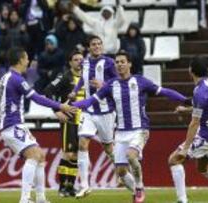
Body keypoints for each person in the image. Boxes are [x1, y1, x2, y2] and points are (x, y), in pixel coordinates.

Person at [73, 51, 189, 203]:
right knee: (121, 171)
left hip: (139, 129)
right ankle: (137, 191)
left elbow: (164, 91)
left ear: (129, 64)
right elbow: (90, 101)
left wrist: (185, 100)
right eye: (117, 62)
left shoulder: (140, 81)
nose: (119, 64)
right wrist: (68, 106)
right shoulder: (110, 85)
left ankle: (139, 187)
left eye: (122, 62)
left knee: (131, 155)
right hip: (120, 132)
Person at [0, 47, 77, 203]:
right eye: (27, 58)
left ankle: (40, 198)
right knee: (34, 155)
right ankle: (25, 199)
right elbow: (36, 98)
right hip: (12, 125)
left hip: (13, 124)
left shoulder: (6, 77)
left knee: (40, 156)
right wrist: (60, 106)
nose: (28, 61)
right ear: (20, 60)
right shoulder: (16, 79)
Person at [168, 56, 208, 203]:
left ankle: (182, 200)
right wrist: (186, 110)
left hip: (206, 134)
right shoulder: (206, 85)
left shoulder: (200, 91)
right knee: (203, 167)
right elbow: (201, 107)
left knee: (174, 160)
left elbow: (194, 123)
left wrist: (185, 148)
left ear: (191, 70)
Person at [69, 35, 117, 198]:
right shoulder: (86, 63)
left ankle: (123, 171)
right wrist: (75, 91)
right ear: (89, 48)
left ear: (102, 47)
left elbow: (117, 83)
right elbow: (83, 80)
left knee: (109, 148)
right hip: (89, 111)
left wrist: (103, 85)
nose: (96, 46)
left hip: (106, 111)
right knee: (82, 143)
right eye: (93, 44)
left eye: (99, 44)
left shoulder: (110, 63)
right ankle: (84, 185)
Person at [43, 50, 84, 197]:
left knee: (76, 154)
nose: (79, 61)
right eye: (76, 59)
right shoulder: (65, 76)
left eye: (81, 59)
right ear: (70, 62)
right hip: (70, 120)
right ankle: (62, 187)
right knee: (68, 153)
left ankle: (71, 186)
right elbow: (48, 90)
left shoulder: (87, 78)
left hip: (84, 121)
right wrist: (57, 111)